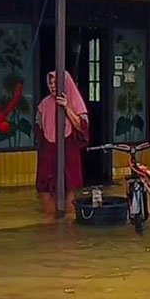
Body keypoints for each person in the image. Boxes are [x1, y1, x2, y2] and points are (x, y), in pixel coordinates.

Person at [36, 70, 89, 215]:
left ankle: (69, 230)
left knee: (69, 188)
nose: (52, 86)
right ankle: (51, 227)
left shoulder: (74, 102)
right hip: (49, 150)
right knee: (45, 189)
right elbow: (39, 127)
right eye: (50, 83)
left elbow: (82, 126)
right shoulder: (44, 104)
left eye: (56, 83)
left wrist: (67, 107)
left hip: (68, 149)